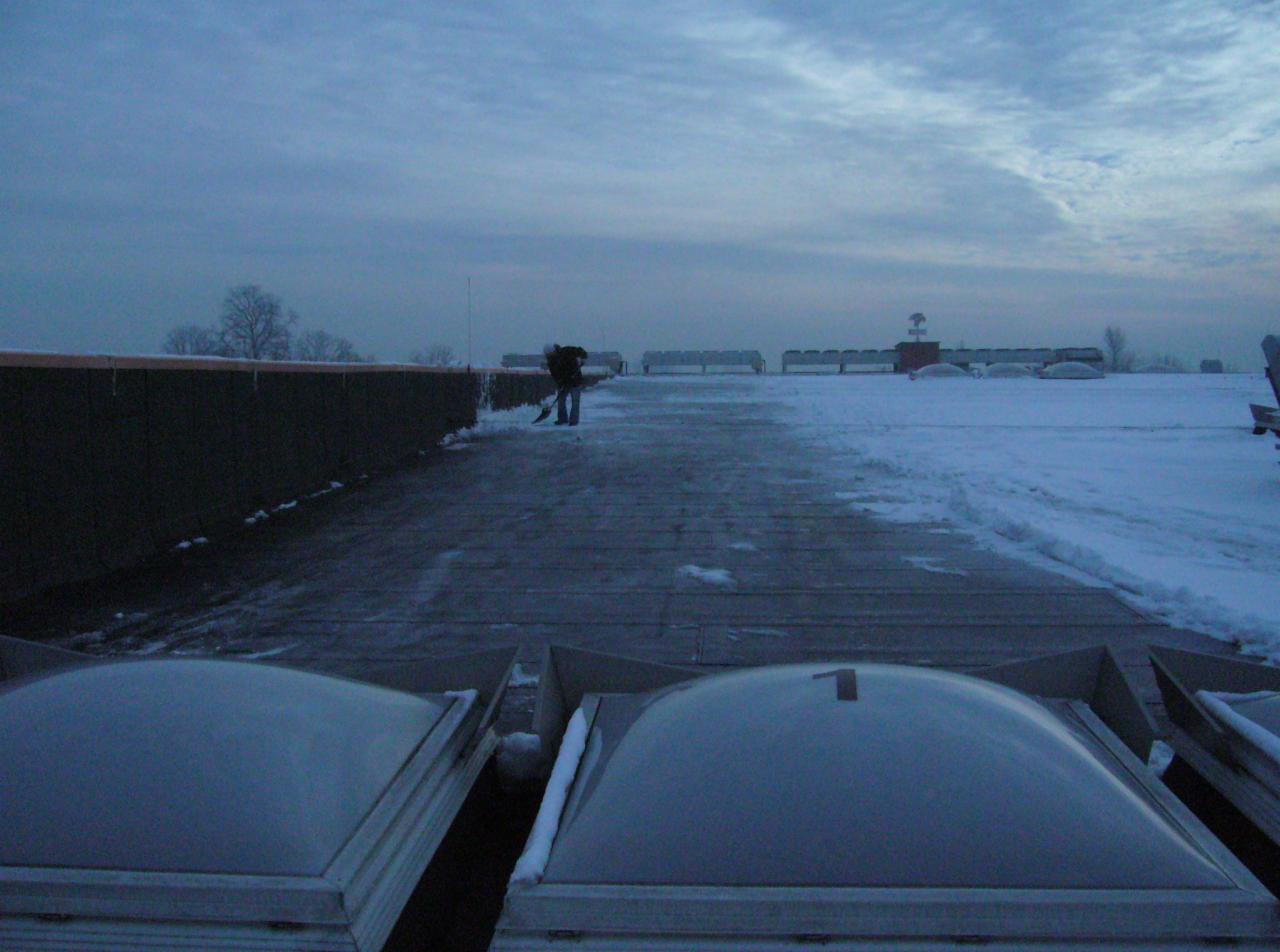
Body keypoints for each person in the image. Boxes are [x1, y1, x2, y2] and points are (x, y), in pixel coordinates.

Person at [544, 342, 588, 426]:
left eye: (550, 354)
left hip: (576, 380)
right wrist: (561, 383)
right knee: (561, 400)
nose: (549, 357)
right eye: (548, 355)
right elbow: (555, 375)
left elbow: (580, 351)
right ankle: (562, 419)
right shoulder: (551, 362)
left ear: (554, 351)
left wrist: (583, 357)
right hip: (564, 382)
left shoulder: (567, 351)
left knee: (575, 401)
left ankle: (573, 421)